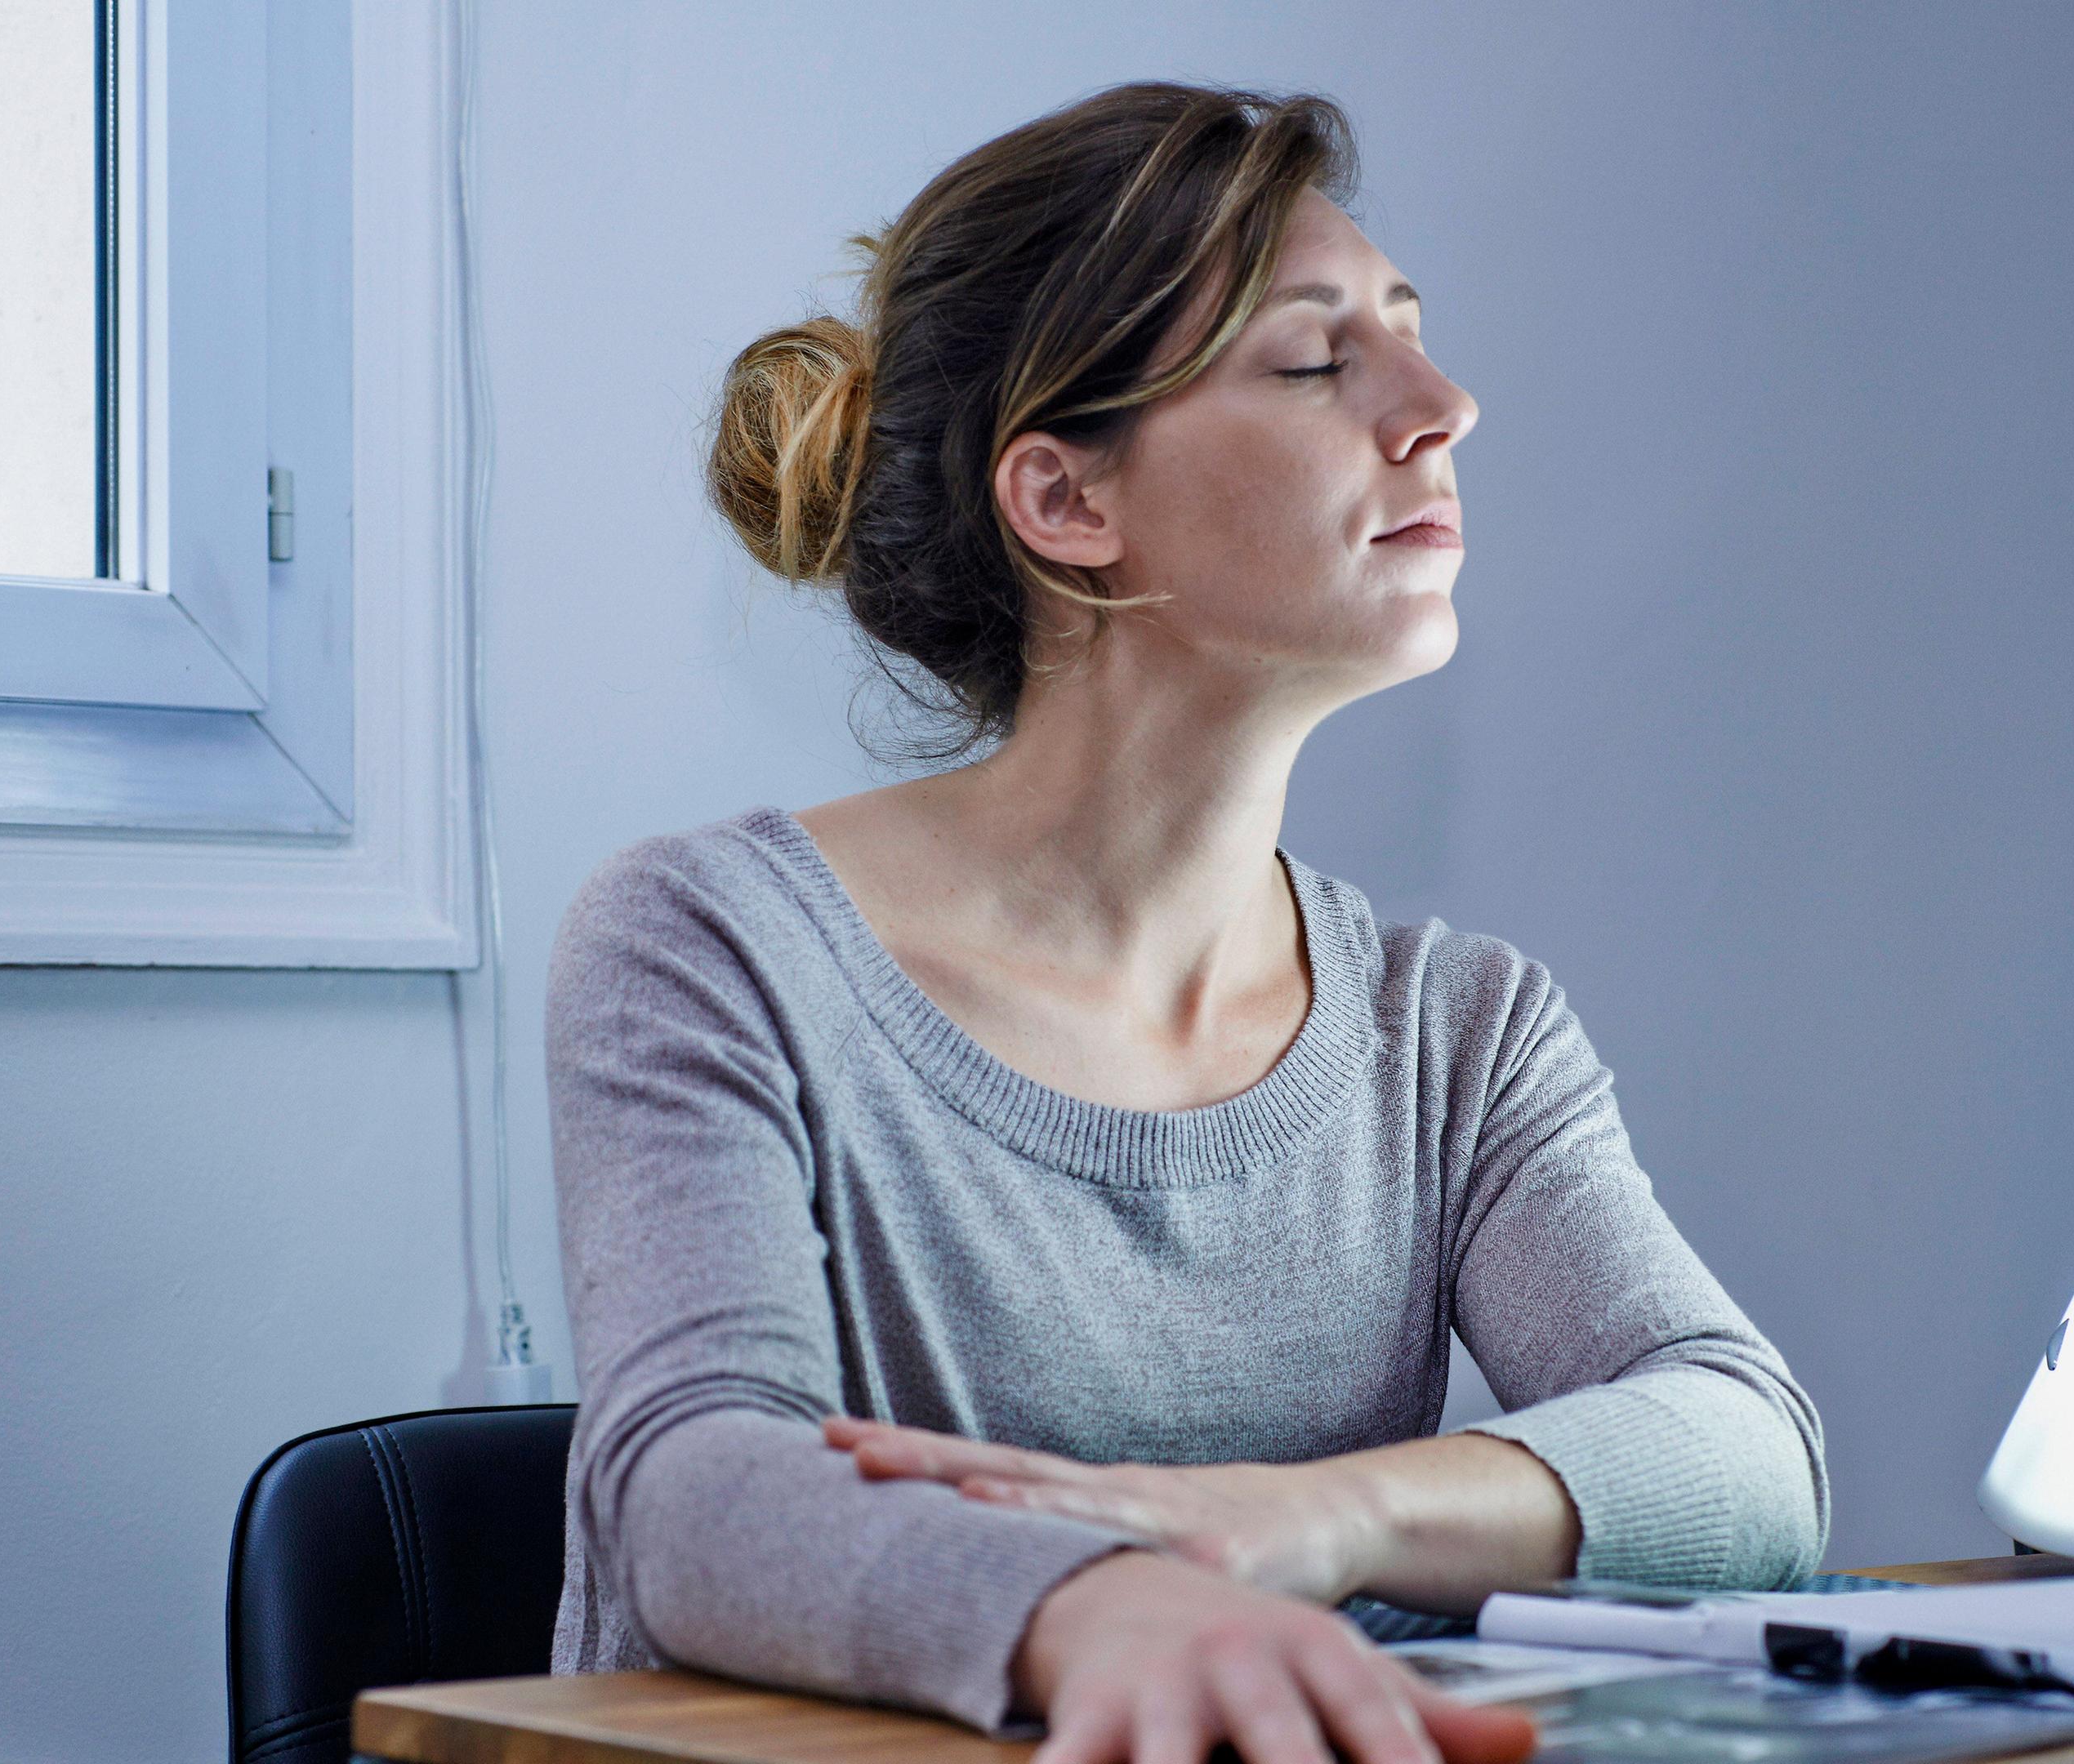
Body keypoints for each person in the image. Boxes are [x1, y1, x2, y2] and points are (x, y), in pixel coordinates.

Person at [545, 81, 1827, 1764]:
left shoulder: (1459, 1033)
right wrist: (1102, 1599)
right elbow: (696, 1494)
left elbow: (1748, 1448)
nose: (1441, 407)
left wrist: (1297, 1526)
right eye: (1317, 363)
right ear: (1070, 504)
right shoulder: (709, 947)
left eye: (1413, 339)